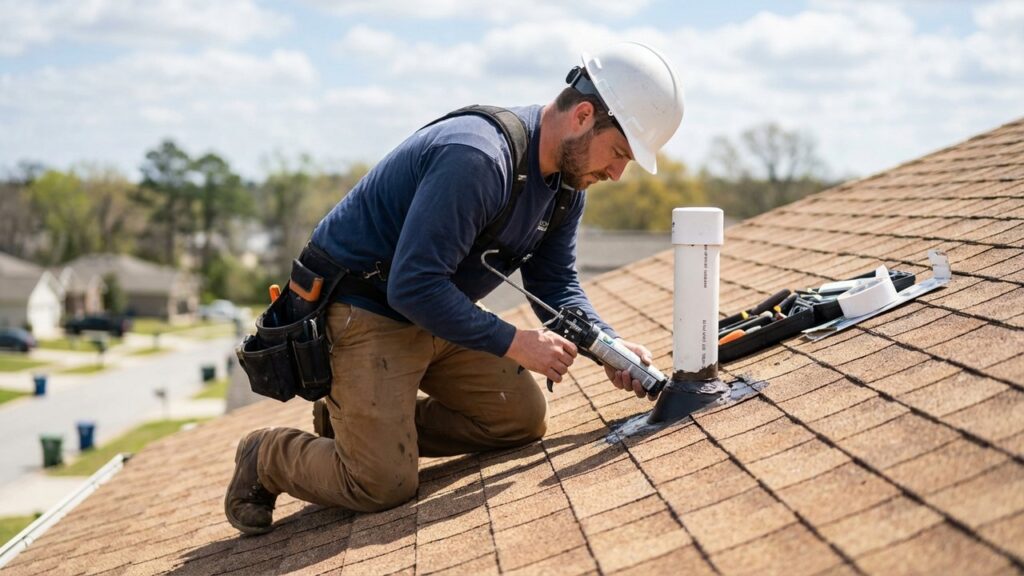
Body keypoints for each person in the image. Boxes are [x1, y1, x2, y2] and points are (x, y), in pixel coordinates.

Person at [225, 41, 685, 535]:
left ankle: (359, 426)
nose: (616, 173)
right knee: (381, 484)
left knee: (522, 418)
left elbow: (555, 282)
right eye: (618, 152)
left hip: (433, 309)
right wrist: (515, 342)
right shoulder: (478, 158)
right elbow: (412, 284)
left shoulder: (564, 188)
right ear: (583, 116)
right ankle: (267, 455)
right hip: (364, 312)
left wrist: (609, 347)